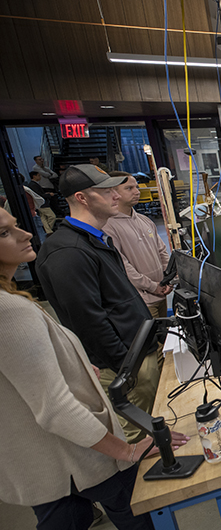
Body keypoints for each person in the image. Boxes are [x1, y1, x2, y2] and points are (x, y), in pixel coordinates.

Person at [0, 208, 221, 530]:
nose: (22, 233)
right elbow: (53, 406)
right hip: (65, 446)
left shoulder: (13, 299)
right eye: (5, 231)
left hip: (35, 451)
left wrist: (71, 363)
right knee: (125, 496)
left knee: (60, 526)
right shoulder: (9, 312)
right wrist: (122, 449)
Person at [35, 165, 160, 444]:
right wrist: (127, 368)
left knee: (154, 436)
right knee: (139, 445)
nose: (116, 196)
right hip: (124, 366)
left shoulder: (95, 239)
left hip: (136, 356)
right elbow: (88, 320)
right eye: (106, 191)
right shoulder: (68, 251)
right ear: (82, 198)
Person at [102, 172, 173, 319]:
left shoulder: (144, 220)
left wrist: (168, 278)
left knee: (166, 337)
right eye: (129, 188)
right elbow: (123, 266)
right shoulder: (108, 227)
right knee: (154, 340)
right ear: (113, 193)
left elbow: (162, 251)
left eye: (136, 187)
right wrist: (153, 287)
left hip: (162, 292)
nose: (137, 191)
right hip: (142, 300)